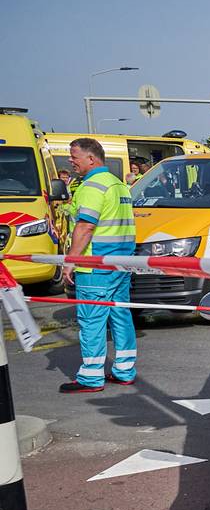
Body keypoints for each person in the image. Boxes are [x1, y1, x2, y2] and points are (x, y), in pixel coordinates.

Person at [60, 137, 137, 394]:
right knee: (120, 316)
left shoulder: (92, 186)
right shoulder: (118, 185)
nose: (70, 161)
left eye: (74, 157)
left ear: (91, 159)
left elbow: (85, 226)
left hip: (95, 265)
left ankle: (91, 376)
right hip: (121, 263)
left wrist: (70, 261)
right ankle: (124, 370)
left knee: (92, 319)